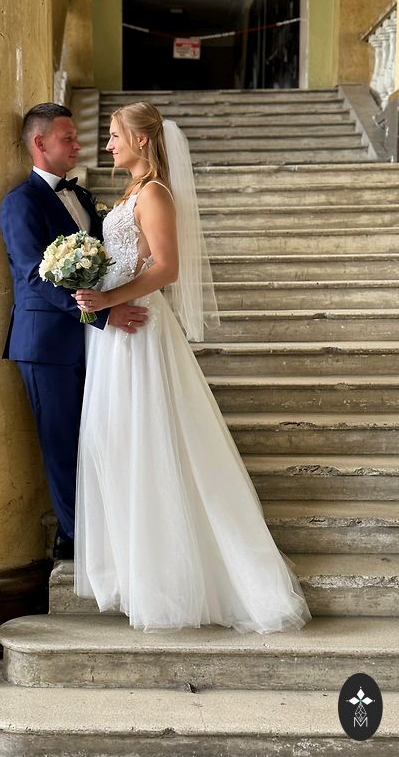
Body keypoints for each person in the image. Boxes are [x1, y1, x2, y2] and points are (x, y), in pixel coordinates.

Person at [73, 102, 311, 633]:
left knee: (149, 443)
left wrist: (109, 301)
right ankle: (137, 571)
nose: (108, 144)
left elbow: (167, 267)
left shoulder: (155, 193)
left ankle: (171, 581)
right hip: (115, 333)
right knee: (116, 443)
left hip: (140, 329)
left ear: (141, 140)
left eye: (115, 135)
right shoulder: (131, 192)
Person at [0, 103, 147, 560]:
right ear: (40, 142)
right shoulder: (20, 202)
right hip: (46, 345)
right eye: (68, 138)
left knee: (98, 437)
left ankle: (99, 528)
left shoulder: (82, 197)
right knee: (61, 442)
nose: (79, 145)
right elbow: (32, 277)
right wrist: (102, 315)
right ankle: (74, 539)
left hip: (91, 342)